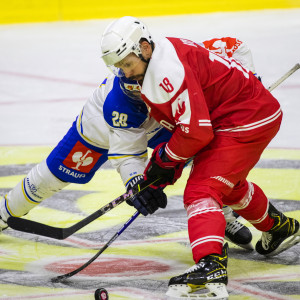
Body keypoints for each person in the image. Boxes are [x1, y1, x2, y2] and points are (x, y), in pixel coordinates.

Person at [100, 16, 300, 299]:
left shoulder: (165, 75)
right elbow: (188, 128)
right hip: (233, 118)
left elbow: (194, 134)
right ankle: (279, 228)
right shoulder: (158, 61)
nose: (126, 73)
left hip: (244, 119)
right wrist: (159, 171)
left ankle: (211, 265)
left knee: (201, 190)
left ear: (144, 47)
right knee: (226, 184)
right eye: (120, 67)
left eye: (127, 64)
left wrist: (164, 162)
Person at [0, 37, 254, 250]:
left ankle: (221, 214)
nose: (133, 77)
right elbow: (127, 153)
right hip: (102, 127)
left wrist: (249, 84)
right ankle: (3, 212)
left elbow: (234, 47)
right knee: (51, 177)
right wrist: (138, 184)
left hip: (162, 122)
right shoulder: (119, 100)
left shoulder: (176, 57)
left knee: (211, 152)